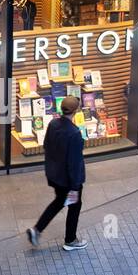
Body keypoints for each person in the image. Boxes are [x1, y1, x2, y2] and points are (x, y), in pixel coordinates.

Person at [27, 97, 88, 252]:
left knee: (59, 201)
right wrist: (75, 187)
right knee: (74, 206)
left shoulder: (53, 124)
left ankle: (37, 230)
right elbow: (74, 163)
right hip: (68, 180)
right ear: (76, 111)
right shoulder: (74, 133)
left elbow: (47, 145)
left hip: (54, 175)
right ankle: (70, 240)